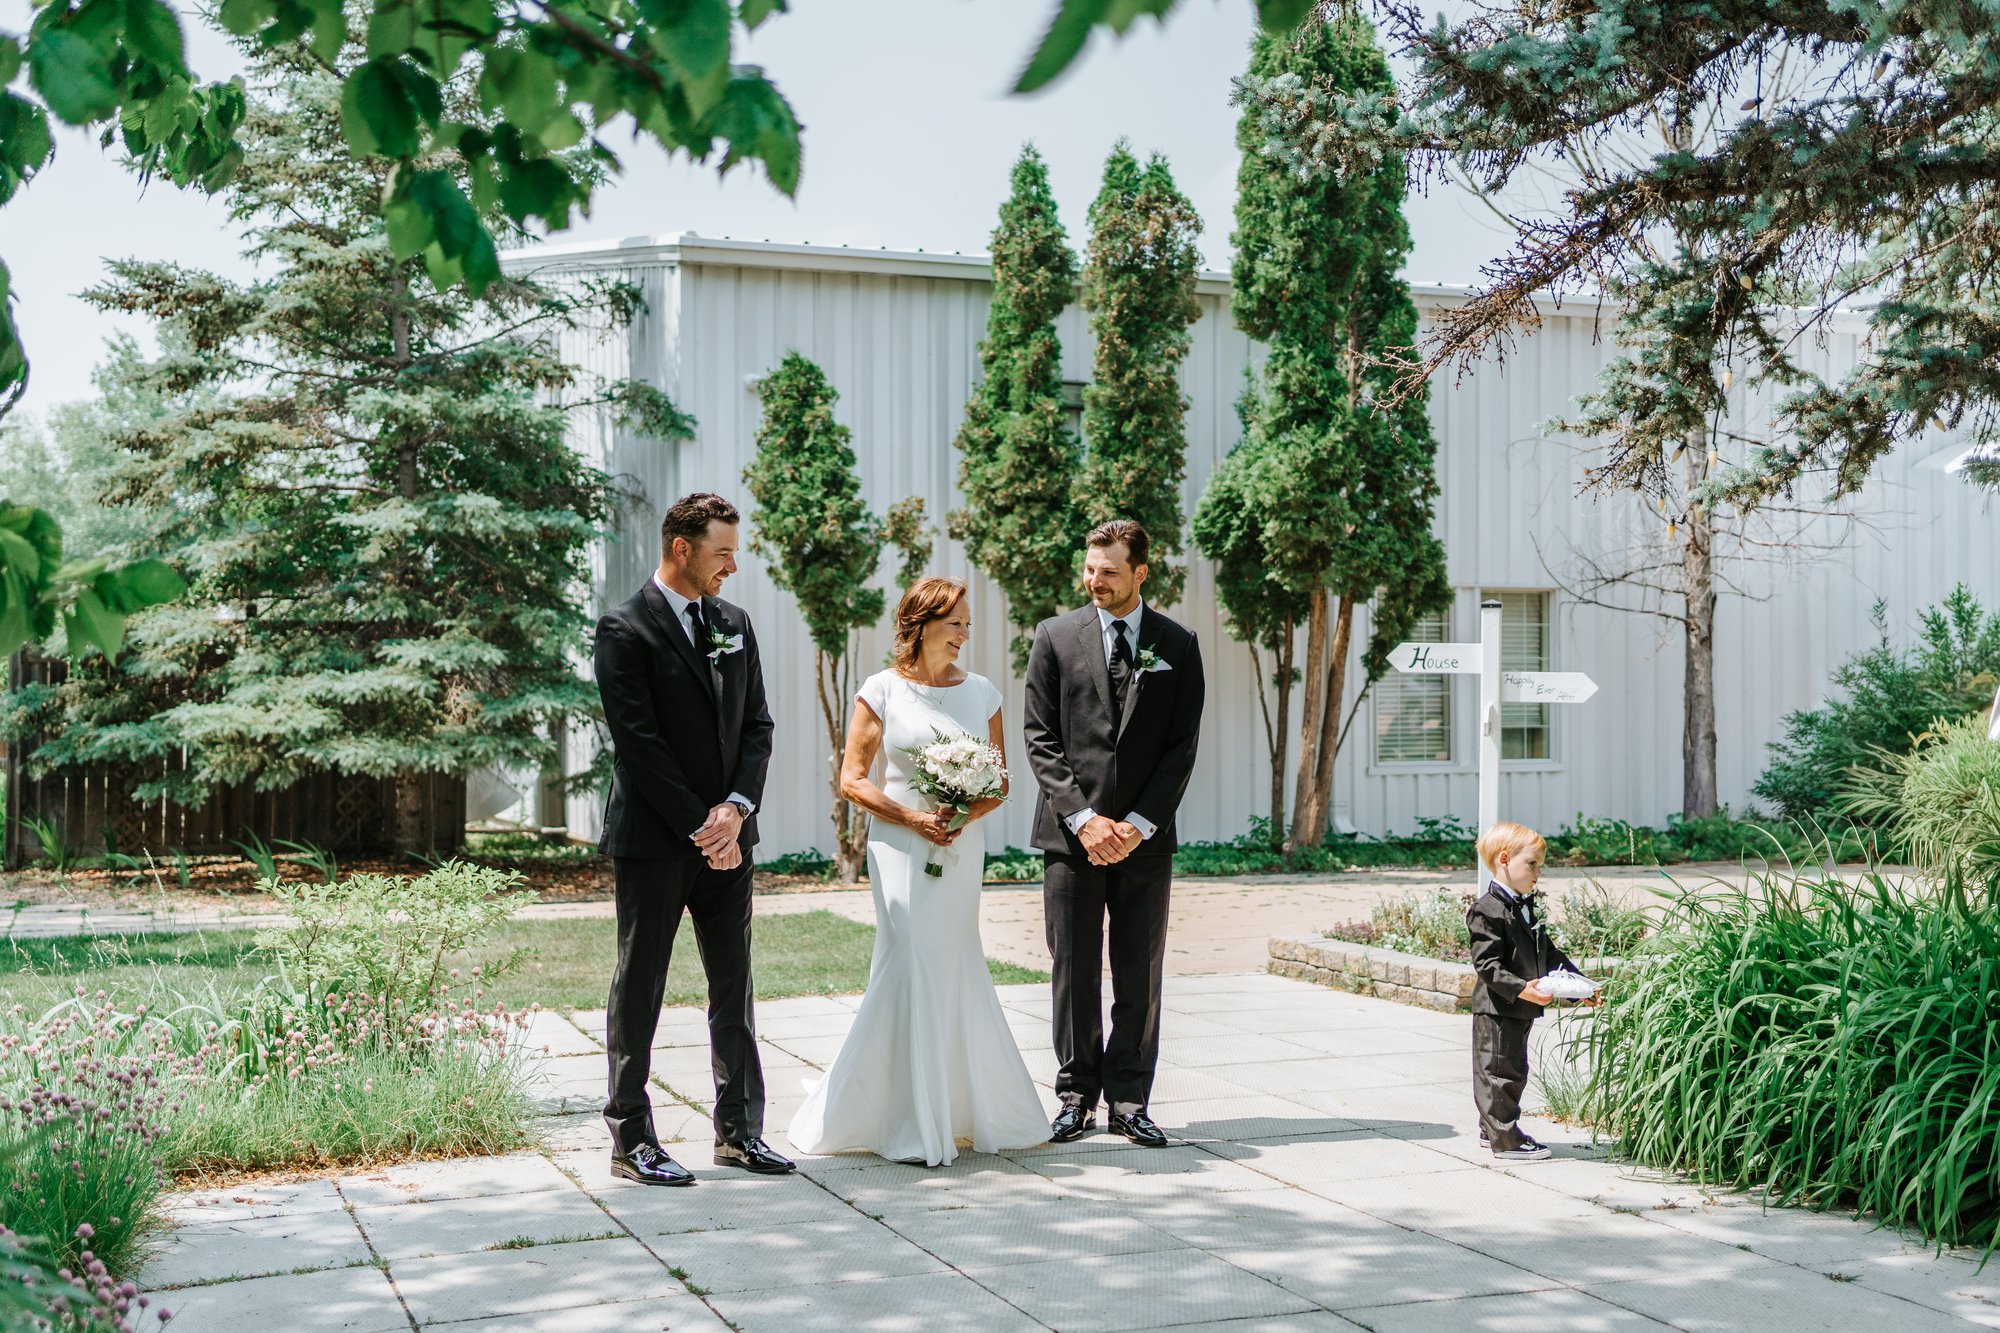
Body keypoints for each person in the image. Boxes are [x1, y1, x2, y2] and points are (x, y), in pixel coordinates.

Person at [786, 577, 1049, 1166]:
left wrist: (958, 815)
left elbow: (1001, 781)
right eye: (954, 622)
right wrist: (914, 818)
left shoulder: (982, 693)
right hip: (898, 846)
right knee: (907, 955)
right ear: (922, 623)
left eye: (967, 625)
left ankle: (955, 1108)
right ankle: (901, 1114)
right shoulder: (881, 690)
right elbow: (853, 779)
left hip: (959, 846)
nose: (964, 634)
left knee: (954, 957)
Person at [592, 492, 795, 1186]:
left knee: (733, 984)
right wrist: (702, 824)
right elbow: (639, 743)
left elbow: (758, 725)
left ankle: (740, 1131)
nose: (733, 565)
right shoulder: (624, 628)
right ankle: (630, 1137)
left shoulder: (733, 622)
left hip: (729, 839)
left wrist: (735, 810)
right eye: (722, 552)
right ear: (682, 548)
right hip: (655, 838)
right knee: (640, 982)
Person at [1021, 520, 1205, 1149]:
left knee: (1138, 971)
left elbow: (1181, 747)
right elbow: (1039, 738)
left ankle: (1130, 1100)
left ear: (1141, 574)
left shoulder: (1178, 644)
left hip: (1144, 842)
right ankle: (1074, 1096)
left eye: (1108, 571)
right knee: (1073, 968)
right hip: (1071, 839)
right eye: (1090, 569)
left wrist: (1137, 824)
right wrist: (1085, 818)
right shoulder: (1054, 637)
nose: (1093, 580)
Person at [1466, 820, 1593, 1163]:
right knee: (1499, 1072)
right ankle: (1505, 1138)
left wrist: (1581, 988)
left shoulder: (1524, 905)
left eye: (1540, 864)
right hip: (1499, 1006)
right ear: (1505, 860)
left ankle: (1489, 1127)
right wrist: (1521, 988)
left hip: (1520, 1006)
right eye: (1532, 863)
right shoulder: (1486, 910)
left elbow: (1549, 954)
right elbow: (1487, 965)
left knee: (1513, 1067)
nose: (1538, 871)